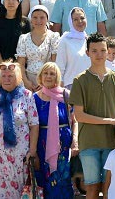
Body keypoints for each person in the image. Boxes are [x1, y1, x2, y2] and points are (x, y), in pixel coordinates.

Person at [70, 33, 115, 199]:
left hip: (113, 142)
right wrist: (110, 121)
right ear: (87, 52)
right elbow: (79, 115)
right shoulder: (80, 80)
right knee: (91, 187)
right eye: (94, 50)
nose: (99, 54)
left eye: (103, 50)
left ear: (108, 52)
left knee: (109, 187)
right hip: (89, 142)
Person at [0, 60, 39, 199]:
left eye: (10, 76)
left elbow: (34, 125)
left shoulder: (26, 95)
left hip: (20, 157)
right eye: (4, 76)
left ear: (18, 78)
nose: (6, 79)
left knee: (19, 192)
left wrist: (33, 150)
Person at [33, 62, 76, 199]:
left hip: (64, 146)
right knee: (45, 179)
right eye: (45, 73)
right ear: (40, 76)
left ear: (57, 76)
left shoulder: (66, 95)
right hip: (42, 145)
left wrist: (75, 140)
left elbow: (75, 120)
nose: (48, 76)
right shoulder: (34, 98)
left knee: (63, 179)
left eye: (52, 73)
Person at [16, 5, 59, 90]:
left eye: (42, 17)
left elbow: (55, 61)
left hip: (48, 78)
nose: (38, 20)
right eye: (35, 17)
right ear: (30, 19)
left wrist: (46, 82)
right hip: (29, 79)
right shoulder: (23, 38)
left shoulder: (53, 36)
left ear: (47, 19)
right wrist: (26, 82)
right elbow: (20, 63)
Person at [0, 0, 31, 66]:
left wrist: (17, 66)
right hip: (0, 66)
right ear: (3, 2)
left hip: (20, 66)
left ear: (19, 2)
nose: (11, 2)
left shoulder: (25, 22)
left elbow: (28, 46)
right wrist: (3, 65)